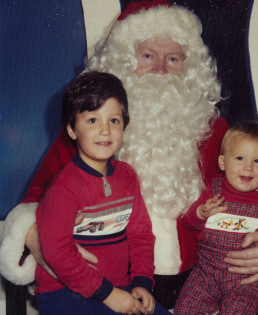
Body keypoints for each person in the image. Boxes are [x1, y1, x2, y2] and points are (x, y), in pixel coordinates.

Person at [0, 0, 258, 310]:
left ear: (190, 68)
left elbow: (250, 197)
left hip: (195, 286)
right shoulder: (91, 134)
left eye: (173, 58)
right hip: (105, 285)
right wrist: (42, 242)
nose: (160, 69)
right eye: (147, 56)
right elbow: (36, 201)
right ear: (122, 61)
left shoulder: (215, 130)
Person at [35, 71, 170, 315]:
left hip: (119, 287)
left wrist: (141, 282)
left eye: (114, 120)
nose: (105, 130)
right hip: (65, 292)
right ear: (72, 130)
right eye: (92, 120)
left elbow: (140, 235)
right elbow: (57, 252)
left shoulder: (127, 176)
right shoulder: (63, 187)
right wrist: (107, 294)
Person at [175, 121, 258, 314]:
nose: (248, 167)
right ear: (223, 162)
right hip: (206, 274)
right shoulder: (212, 191)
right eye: (240, 158)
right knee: (185, 308)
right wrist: (200, 213)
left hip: (247, 280)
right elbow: (188, 221)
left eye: (257, 161)